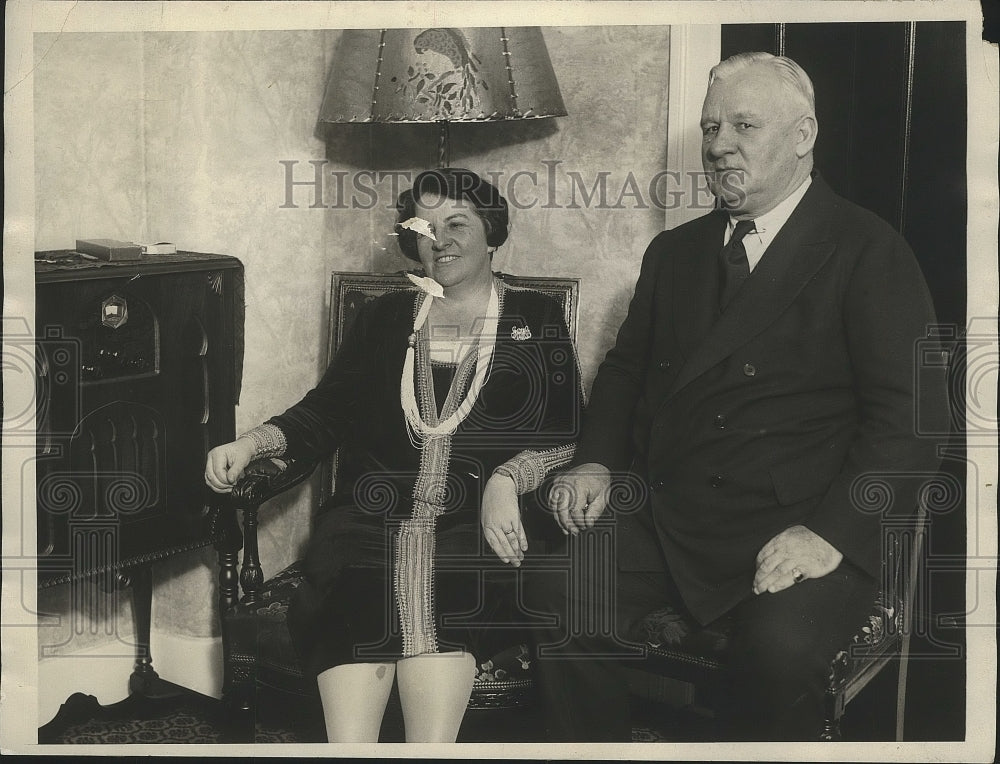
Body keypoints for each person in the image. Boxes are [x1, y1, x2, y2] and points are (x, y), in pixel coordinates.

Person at [532, 52, 949, 741]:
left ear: (802, 135)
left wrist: (829, 536)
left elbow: (913, 419)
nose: (719, 144)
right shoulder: (674, 253)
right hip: (674, 519)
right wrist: (596, 460)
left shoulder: (868, 248)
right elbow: (626, 371)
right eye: (710, 127)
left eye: (744, 125)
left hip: (801, 524)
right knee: (557, 591)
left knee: (780, 654)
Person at [205, 168, 581, 742]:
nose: (441, 240)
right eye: (426, 228)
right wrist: (250, 443)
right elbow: (328, 410)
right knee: (352, 594)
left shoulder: (535, 317)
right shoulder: (382, 317)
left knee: (453, 598)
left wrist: (509, 478)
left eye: (458, 223)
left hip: (477, 525)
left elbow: (570, 433)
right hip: (367, 520)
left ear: (492, 232)